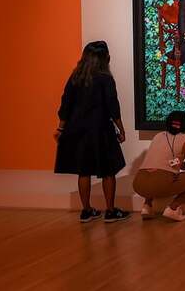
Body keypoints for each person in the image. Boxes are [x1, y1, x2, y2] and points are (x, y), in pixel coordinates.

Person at [54, 41, 130, 223]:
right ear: (105, 58)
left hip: (76, 129)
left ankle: (86, 210)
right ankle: (110, 211)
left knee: (84, 170)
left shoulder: (75, 77)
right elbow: (113, 107)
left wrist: (60, 128)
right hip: (100, 130)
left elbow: (65, 104)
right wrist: (121, 129)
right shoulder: (105, 78)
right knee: (108, 170)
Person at [133, 110, 185, 222]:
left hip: (138, 183)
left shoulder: (158, 135)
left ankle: (147, 206)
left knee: (154, 170)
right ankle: (173, 208)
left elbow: (157, 162)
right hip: (160, 182)